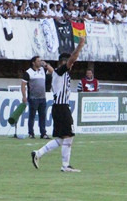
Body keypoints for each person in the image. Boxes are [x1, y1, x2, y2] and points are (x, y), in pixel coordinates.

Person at [31, 36, 86, 172]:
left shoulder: (58, 73)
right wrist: (80, 45)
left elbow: (51, 70)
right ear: (64, 62)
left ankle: (38, 153)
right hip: (61, 107)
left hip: (59, 107)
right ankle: (65, 166)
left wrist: (45, 64)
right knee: (69, 136)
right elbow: (73, 58)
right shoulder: (61, 71)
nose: (72, 65)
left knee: (63, 138)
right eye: (69, 63)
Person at [21, 56, 50, 139]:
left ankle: (43, 133)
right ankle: (31, 133)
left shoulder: (42, 70)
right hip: (33, 98)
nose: (40, 62)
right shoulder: (28, 72)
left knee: (42, 116)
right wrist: (24, 96)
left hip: (42, 97)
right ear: (33, 63)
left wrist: (46, 65)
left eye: (40, 61)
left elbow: (52, 72)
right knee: (32, 116)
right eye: (38, 61)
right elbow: (23, 85)